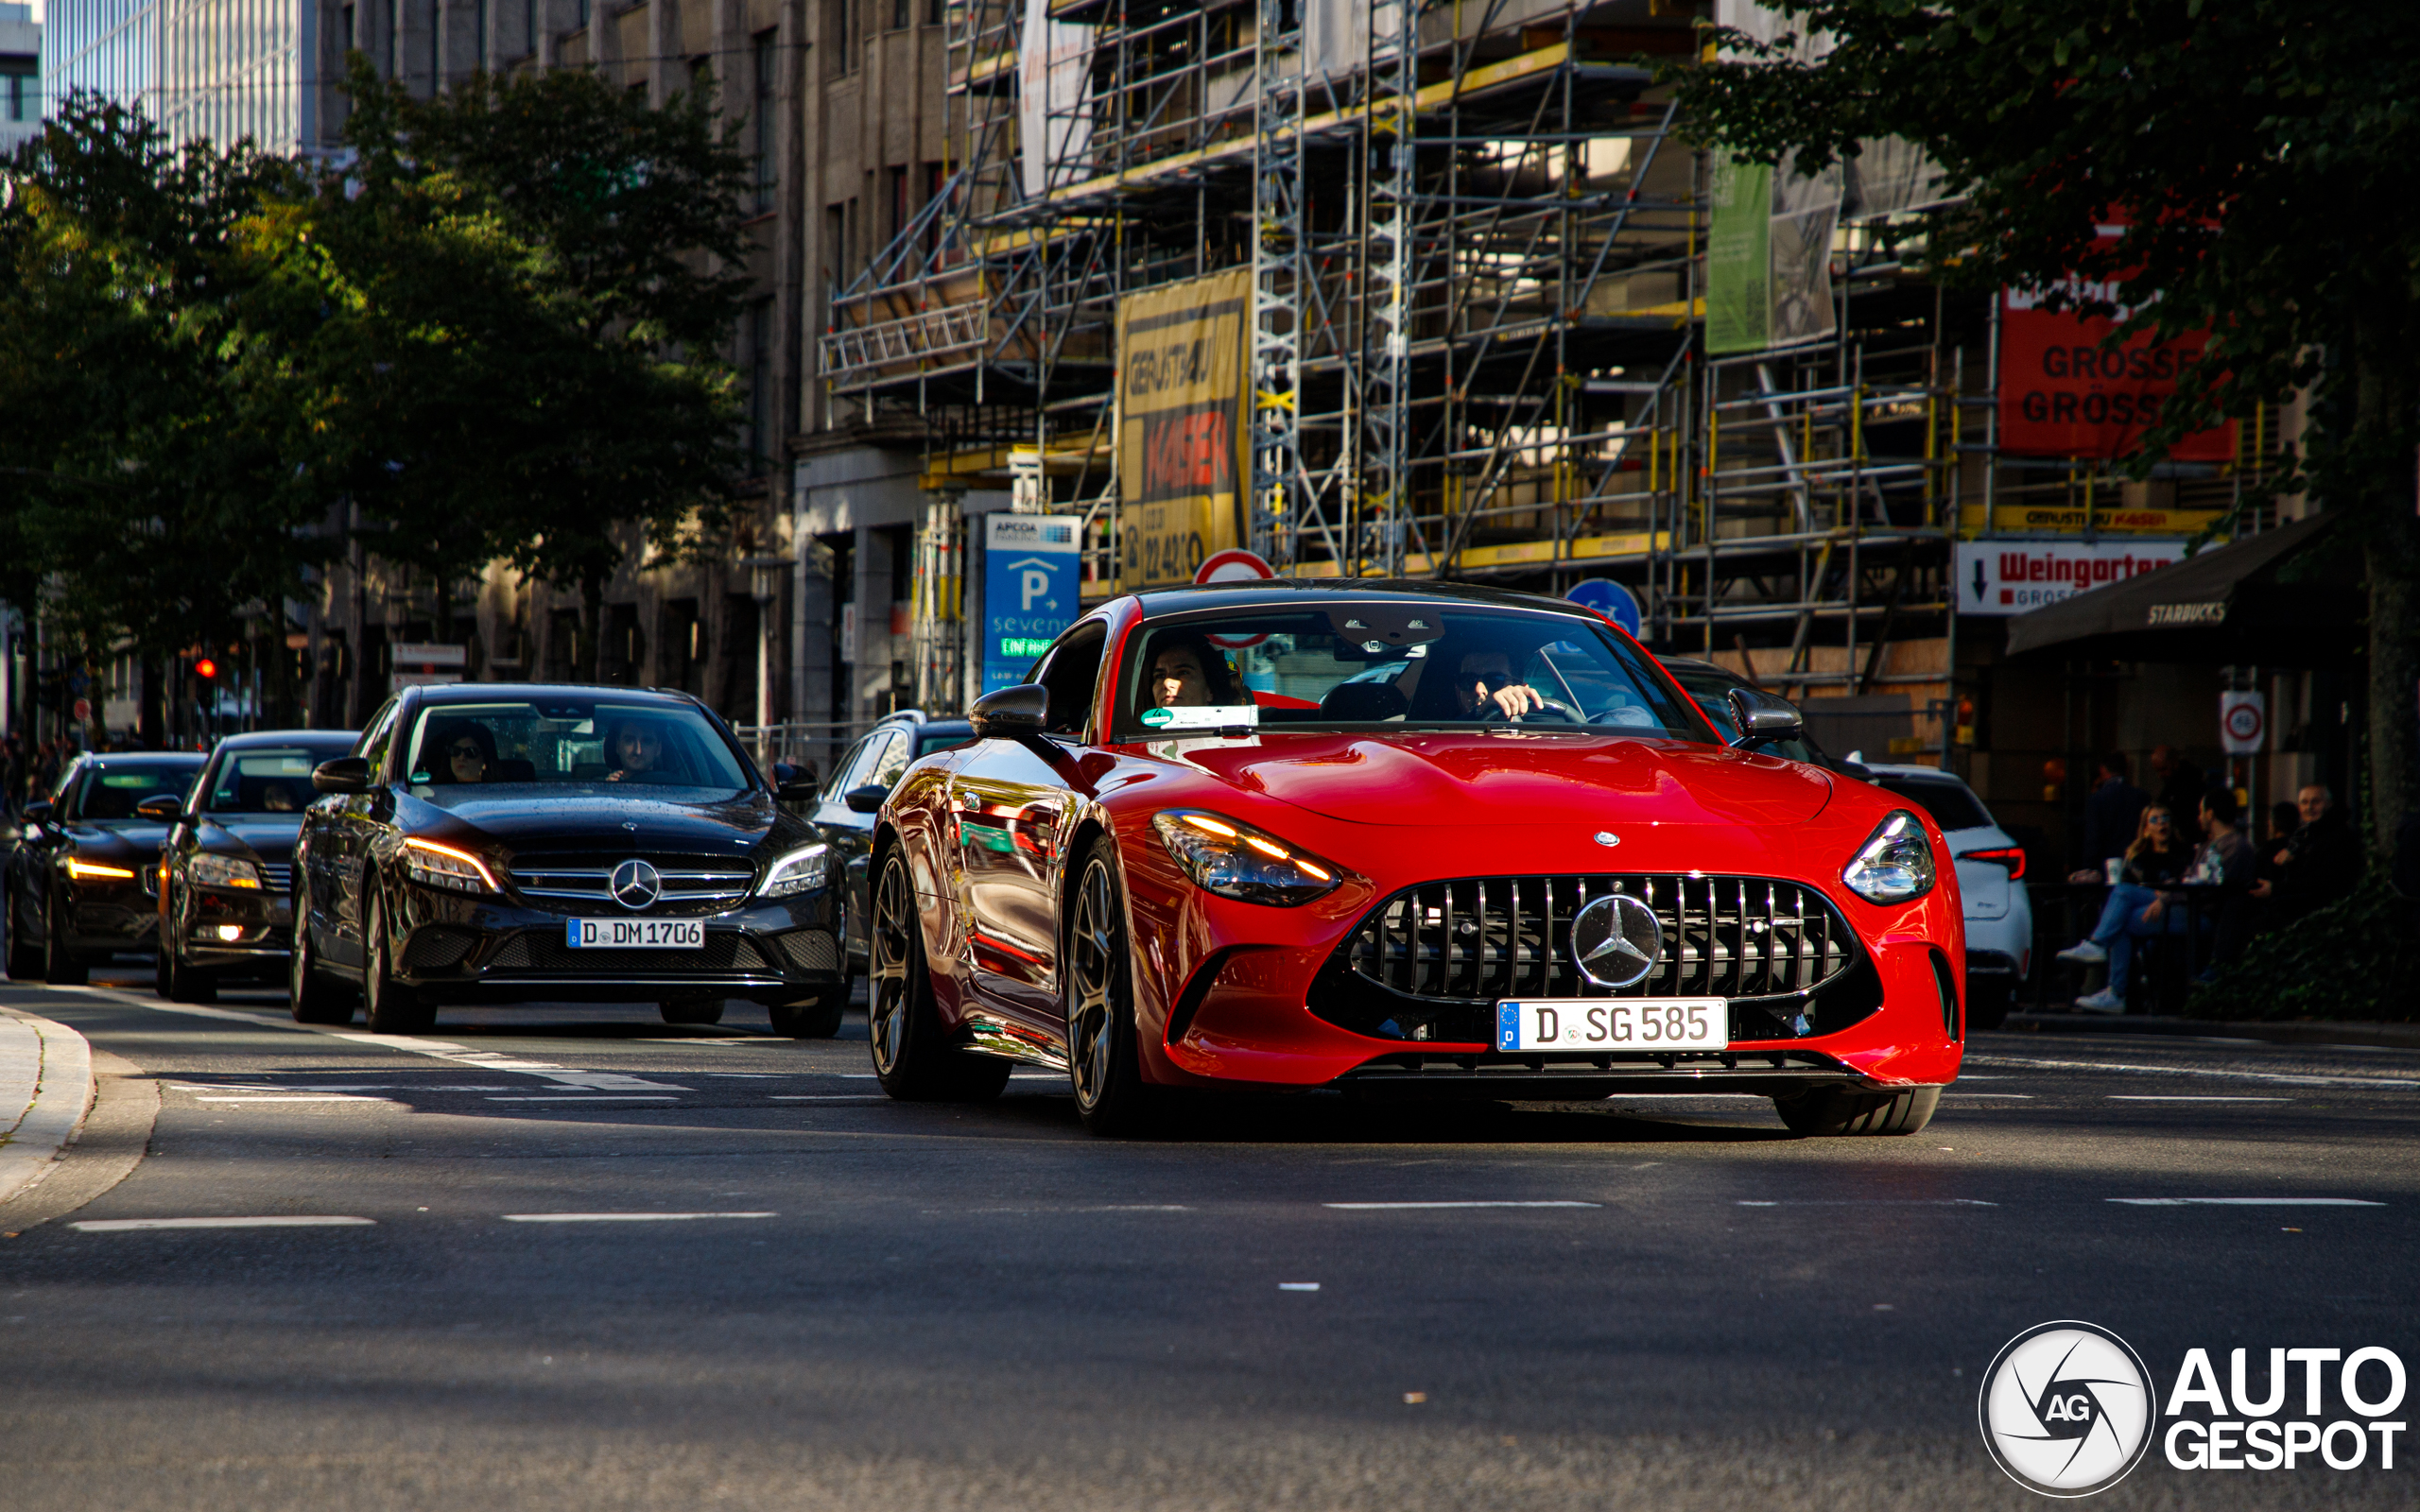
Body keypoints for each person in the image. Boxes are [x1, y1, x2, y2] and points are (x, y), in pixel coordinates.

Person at [2057, 804, 2194, 1010]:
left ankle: (2099, 948)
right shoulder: (2138, 856)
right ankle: (2116, 993)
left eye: (2165, 818)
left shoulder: (2185, 853)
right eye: (2155, 820)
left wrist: (2164, 898)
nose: (2162, 823)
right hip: (2147, 911)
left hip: (2177, 908)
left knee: (2123, 893)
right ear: (2146, 828)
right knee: (2120, 919)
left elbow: (2188, 883)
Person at [2068, 752, 2151, 883]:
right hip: (2137, 865)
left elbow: (2093, 839)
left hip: (2107, 870)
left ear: (2102, 770)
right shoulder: (2142, 797)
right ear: (2127, 769)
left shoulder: (2097, 799)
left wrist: (2089, 868)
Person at [1147, 631, 1240, 709]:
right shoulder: (1137, 730)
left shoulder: (1234, 731)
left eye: (1183, 672)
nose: (1167, 683)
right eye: (1160, 676)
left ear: (1210, 690)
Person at [1451, 648, 1546, 720]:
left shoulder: (1541, 727)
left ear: (1520, 688)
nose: (1479, 690)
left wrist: (1514, 717)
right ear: (1458, 691)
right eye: (1468, 680)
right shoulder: (1444, 734)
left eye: (1494, 680)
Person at [2148, 744, 2207, 822]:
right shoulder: (2170, 785)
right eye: (2158, 771)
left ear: (2174, 763)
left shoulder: (2190, 783)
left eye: (2164, 769)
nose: (2160, 775)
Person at [604, 719, 674, 782]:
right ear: (618, 746)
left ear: (658, 748)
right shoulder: (598, 789)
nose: (637, 751)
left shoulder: (673, 788)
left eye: (646, 742)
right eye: (629, 741)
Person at [432, 722, 496, 784]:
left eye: (470, 752)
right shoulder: (435, 792)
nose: (461, 757)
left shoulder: (499, 792)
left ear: (485, 760)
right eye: (456, 751)